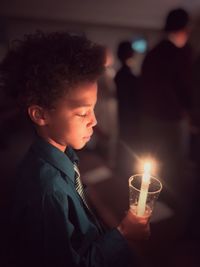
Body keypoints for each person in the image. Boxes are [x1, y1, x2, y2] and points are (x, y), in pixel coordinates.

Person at [1, 32, 150, 267]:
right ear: (40, 115)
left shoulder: (65, 156)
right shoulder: (48, 192)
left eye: (93, 109)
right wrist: (122, 233)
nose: (94, 121)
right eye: (82, 113)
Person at [140, 8, 193, 208]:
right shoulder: (181, 53)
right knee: (175, 164)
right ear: (184, 29)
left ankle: (152, 202)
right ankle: (169, 205)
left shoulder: (153, 52)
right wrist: (186, 112)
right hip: (171, 118)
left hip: (150, 117)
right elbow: (184, 86)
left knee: (154, 161)